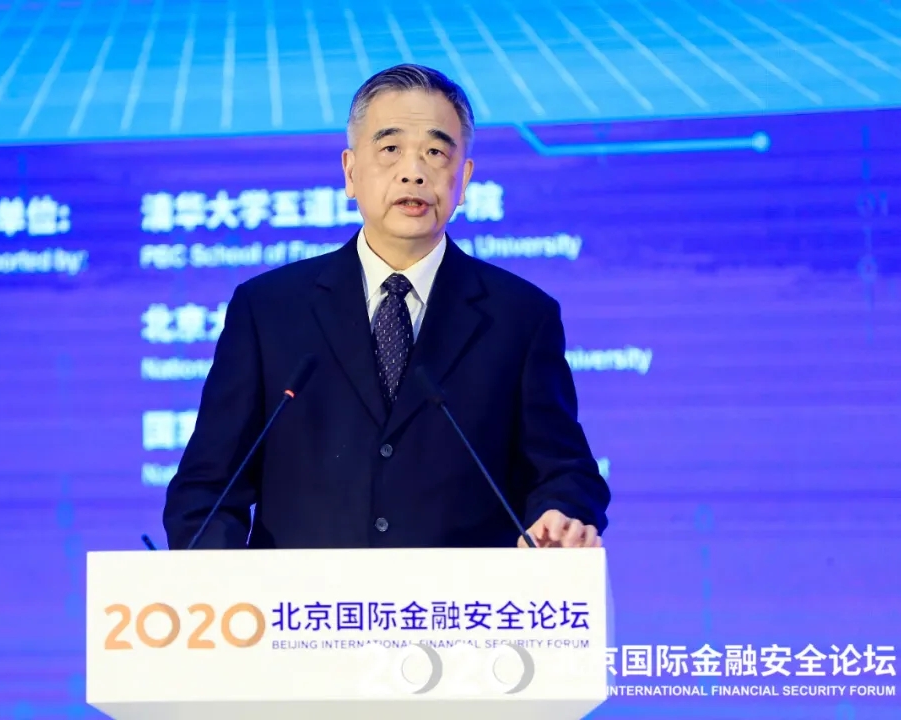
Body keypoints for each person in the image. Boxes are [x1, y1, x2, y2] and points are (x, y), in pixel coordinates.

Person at [163, 64, 610, 551]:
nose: (413, 172)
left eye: (435, 152)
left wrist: (561, 517)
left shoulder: (520, 316)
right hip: (301, 600)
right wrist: (224, 579)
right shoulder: (268, 310)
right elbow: (206, 491)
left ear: (464, 178)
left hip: (460, 599)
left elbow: (566, 473)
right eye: (390, 149)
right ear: (351, 171)